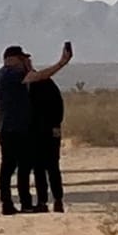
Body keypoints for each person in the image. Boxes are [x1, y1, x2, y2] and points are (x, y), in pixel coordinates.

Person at [0, 43, 72, 215]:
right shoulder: (12, 75)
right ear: (13, 59)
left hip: (7, 128)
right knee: (23, 166)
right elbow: (37, 77)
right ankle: (26, 203)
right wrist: (61, 63)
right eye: (22, 59)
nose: (25, 62)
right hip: (16, 129)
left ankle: (10, 203)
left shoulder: (1, 76)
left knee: (9, 167)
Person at [30, 68, 68, 214]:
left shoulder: (29, 89)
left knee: (40, 169)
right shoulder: (50, 86)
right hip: (51, 132)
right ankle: (57, 201)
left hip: (36, 133)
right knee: (52, 167)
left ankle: (42, 201)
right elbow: (59, 106)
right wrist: (56, 125)